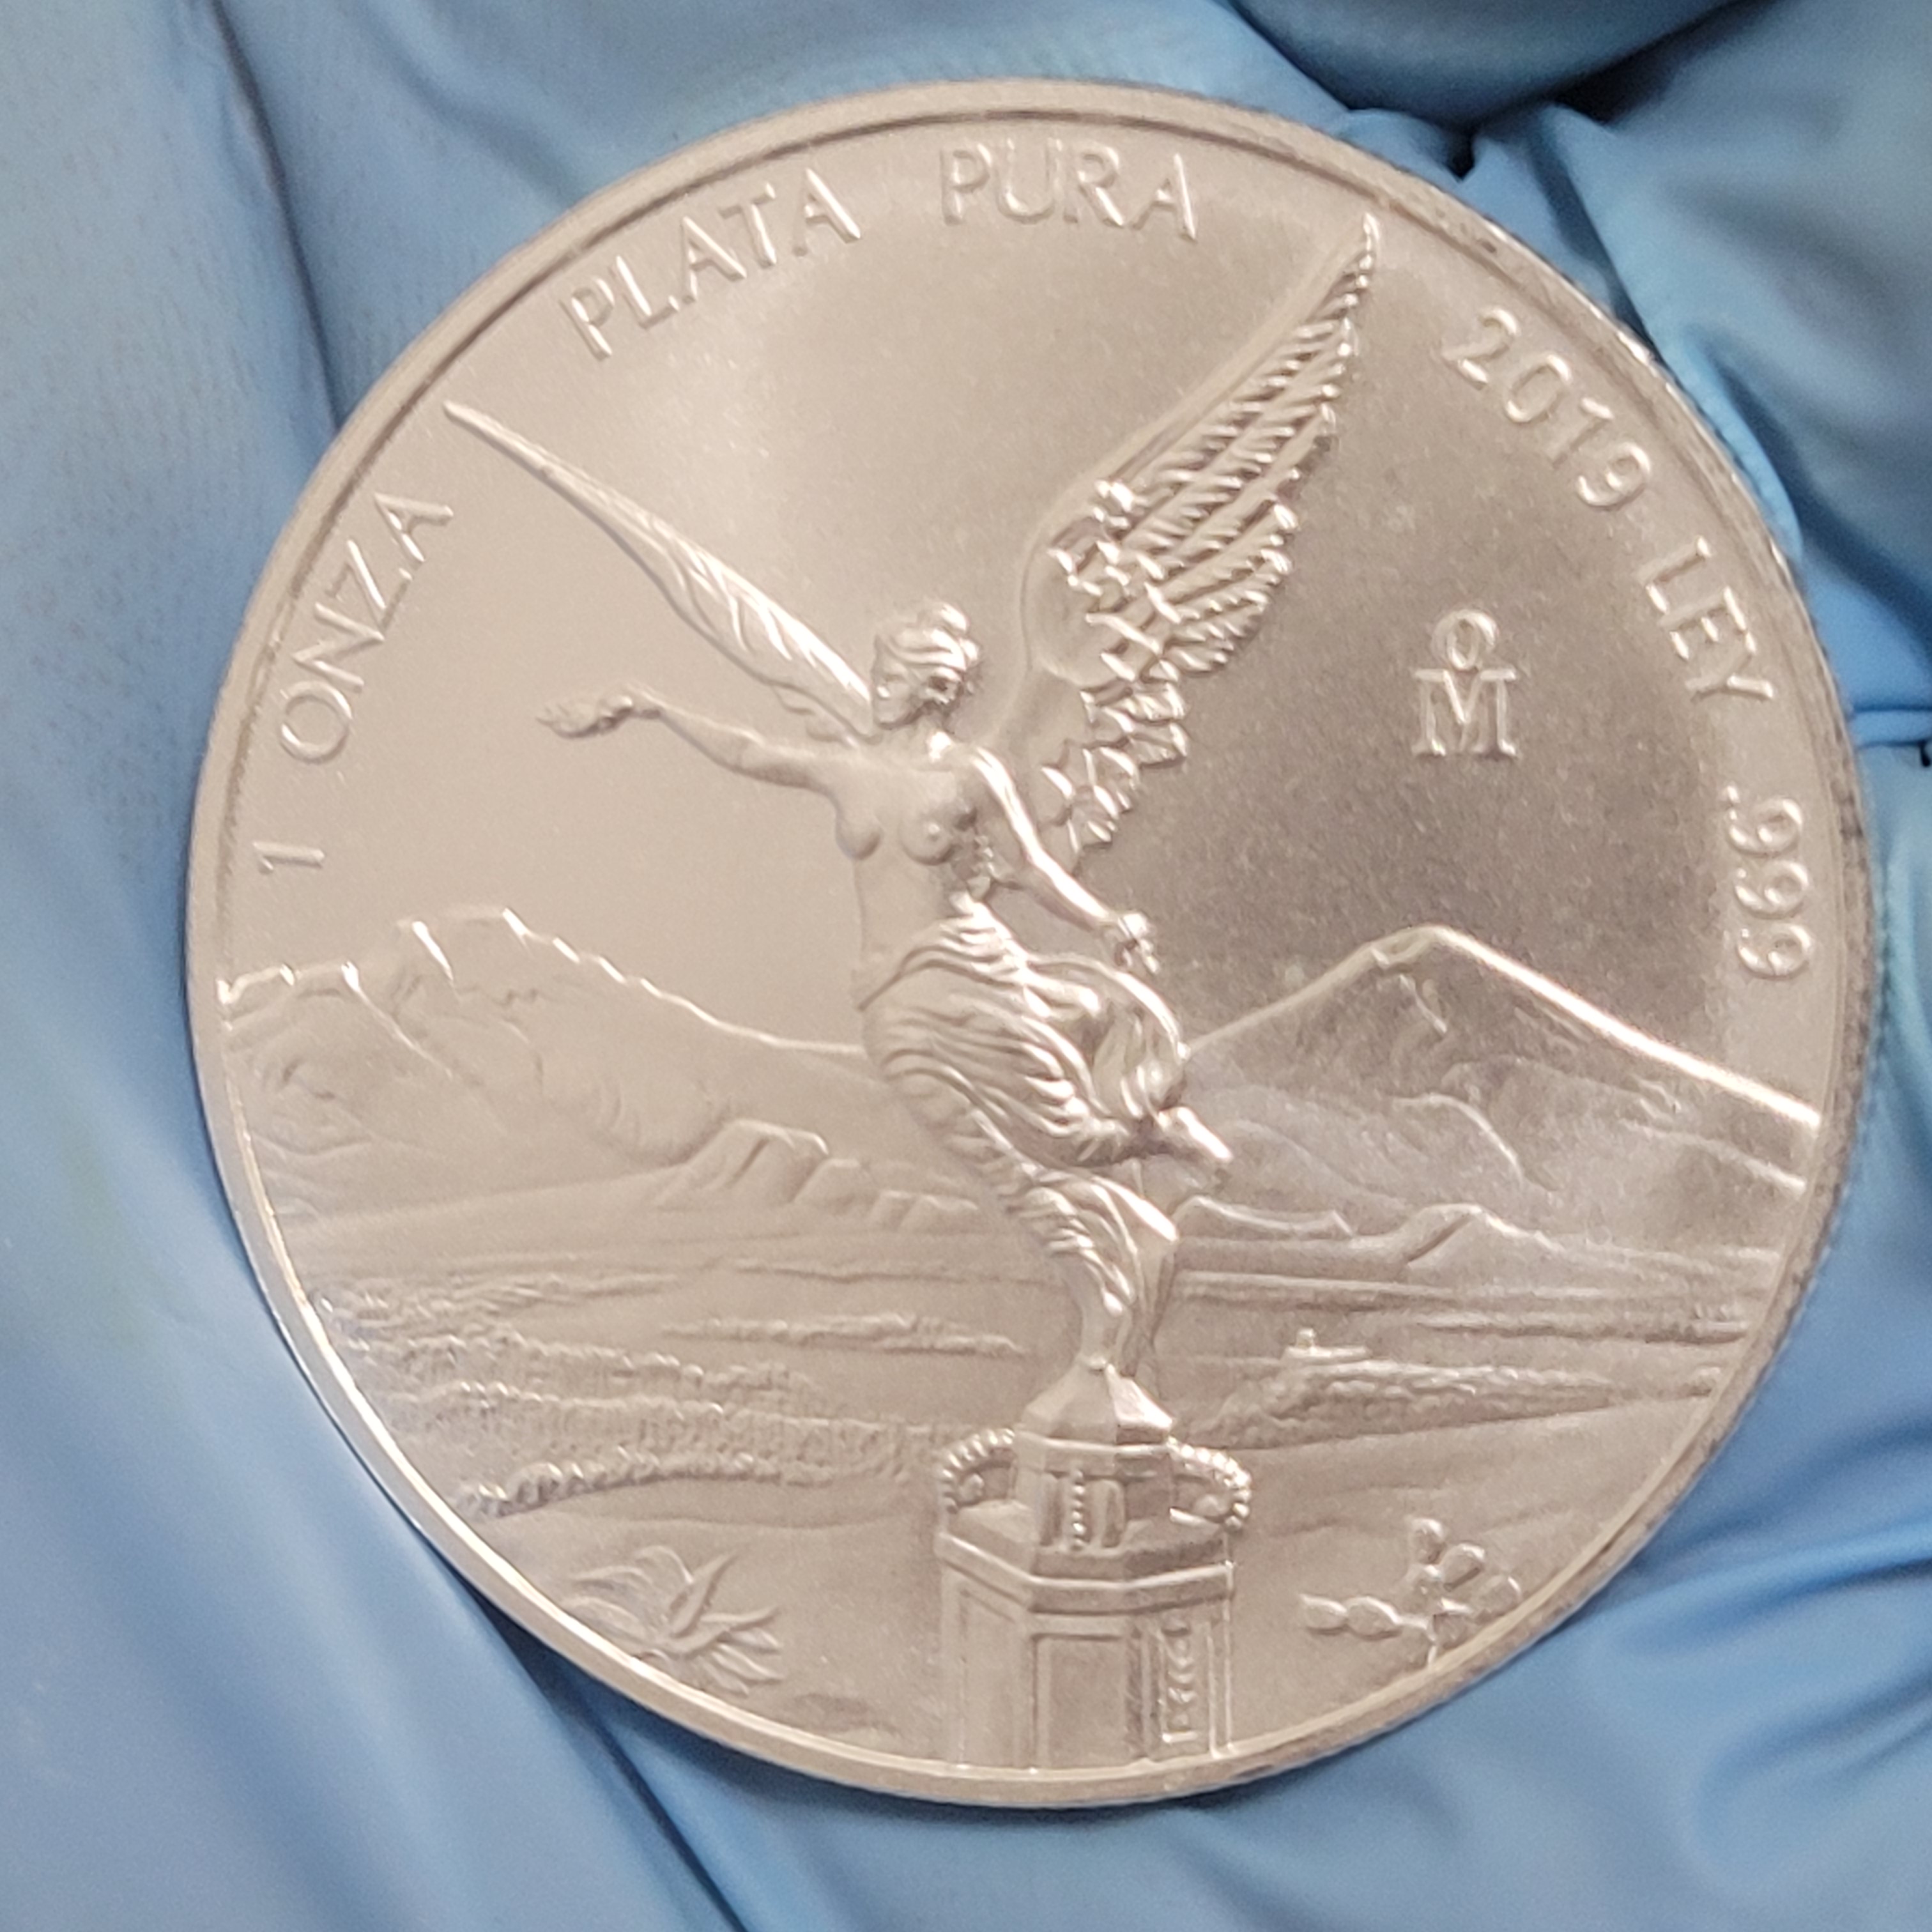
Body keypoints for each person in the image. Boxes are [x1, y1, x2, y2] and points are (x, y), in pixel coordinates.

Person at [2, 3, 1928, 1928]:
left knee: (1110, 1178)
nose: (920, 675)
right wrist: (626, 711)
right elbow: (745, 737)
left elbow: (1047, 879)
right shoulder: (857, 767)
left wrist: (1108, 940)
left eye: (930, 666)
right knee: (1075, 1175)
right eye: (910, 662)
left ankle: (1115, 1290)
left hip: (997, 978)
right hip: (916, 1003)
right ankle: (1113, 1222)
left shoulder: (984, 761)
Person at [550, 599, 1229, 1381]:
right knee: (985, 1157)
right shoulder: (850, 768)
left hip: (969, 974)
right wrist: (657, 709)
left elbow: (1031, 869)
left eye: (893, 677)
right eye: (879, 673)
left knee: (1065, 1138)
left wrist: (1105, 921)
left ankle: (1158, 1138)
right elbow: (752, 753)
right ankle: (1096, 1285)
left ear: (933, 688)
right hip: (890, 996)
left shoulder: (970, 778)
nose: (877, 688)